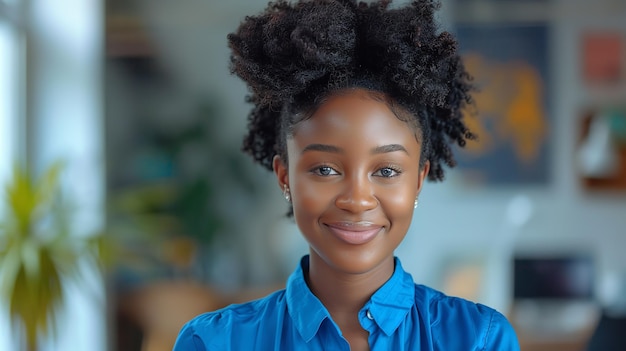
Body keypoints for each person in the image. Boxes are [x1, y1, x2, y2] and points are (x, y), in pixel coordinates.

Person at [173, 0, 520, 350]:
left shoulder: (479, 339)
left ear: (417, 179)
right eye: (325, 169)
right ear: (284, 177)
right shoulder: (215, 342)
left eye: (386, 170)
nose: (357, 200)